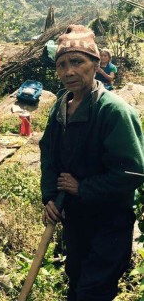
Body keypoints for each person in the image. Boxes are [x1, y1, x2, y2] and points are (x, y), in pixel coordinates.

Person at [40, 25, 144, 301]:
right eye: (62, 65)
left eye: (77, 61)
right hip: (75, 220)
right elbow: (48, 154)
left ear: (96, 64)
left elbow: (131, 172)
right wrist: (50, 196)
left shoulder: (114, 111)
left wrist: (82, 188)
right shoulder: (61, 105)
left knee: (93, 292)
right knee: (75, 283)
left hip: (109, 223)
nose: (68, 71)